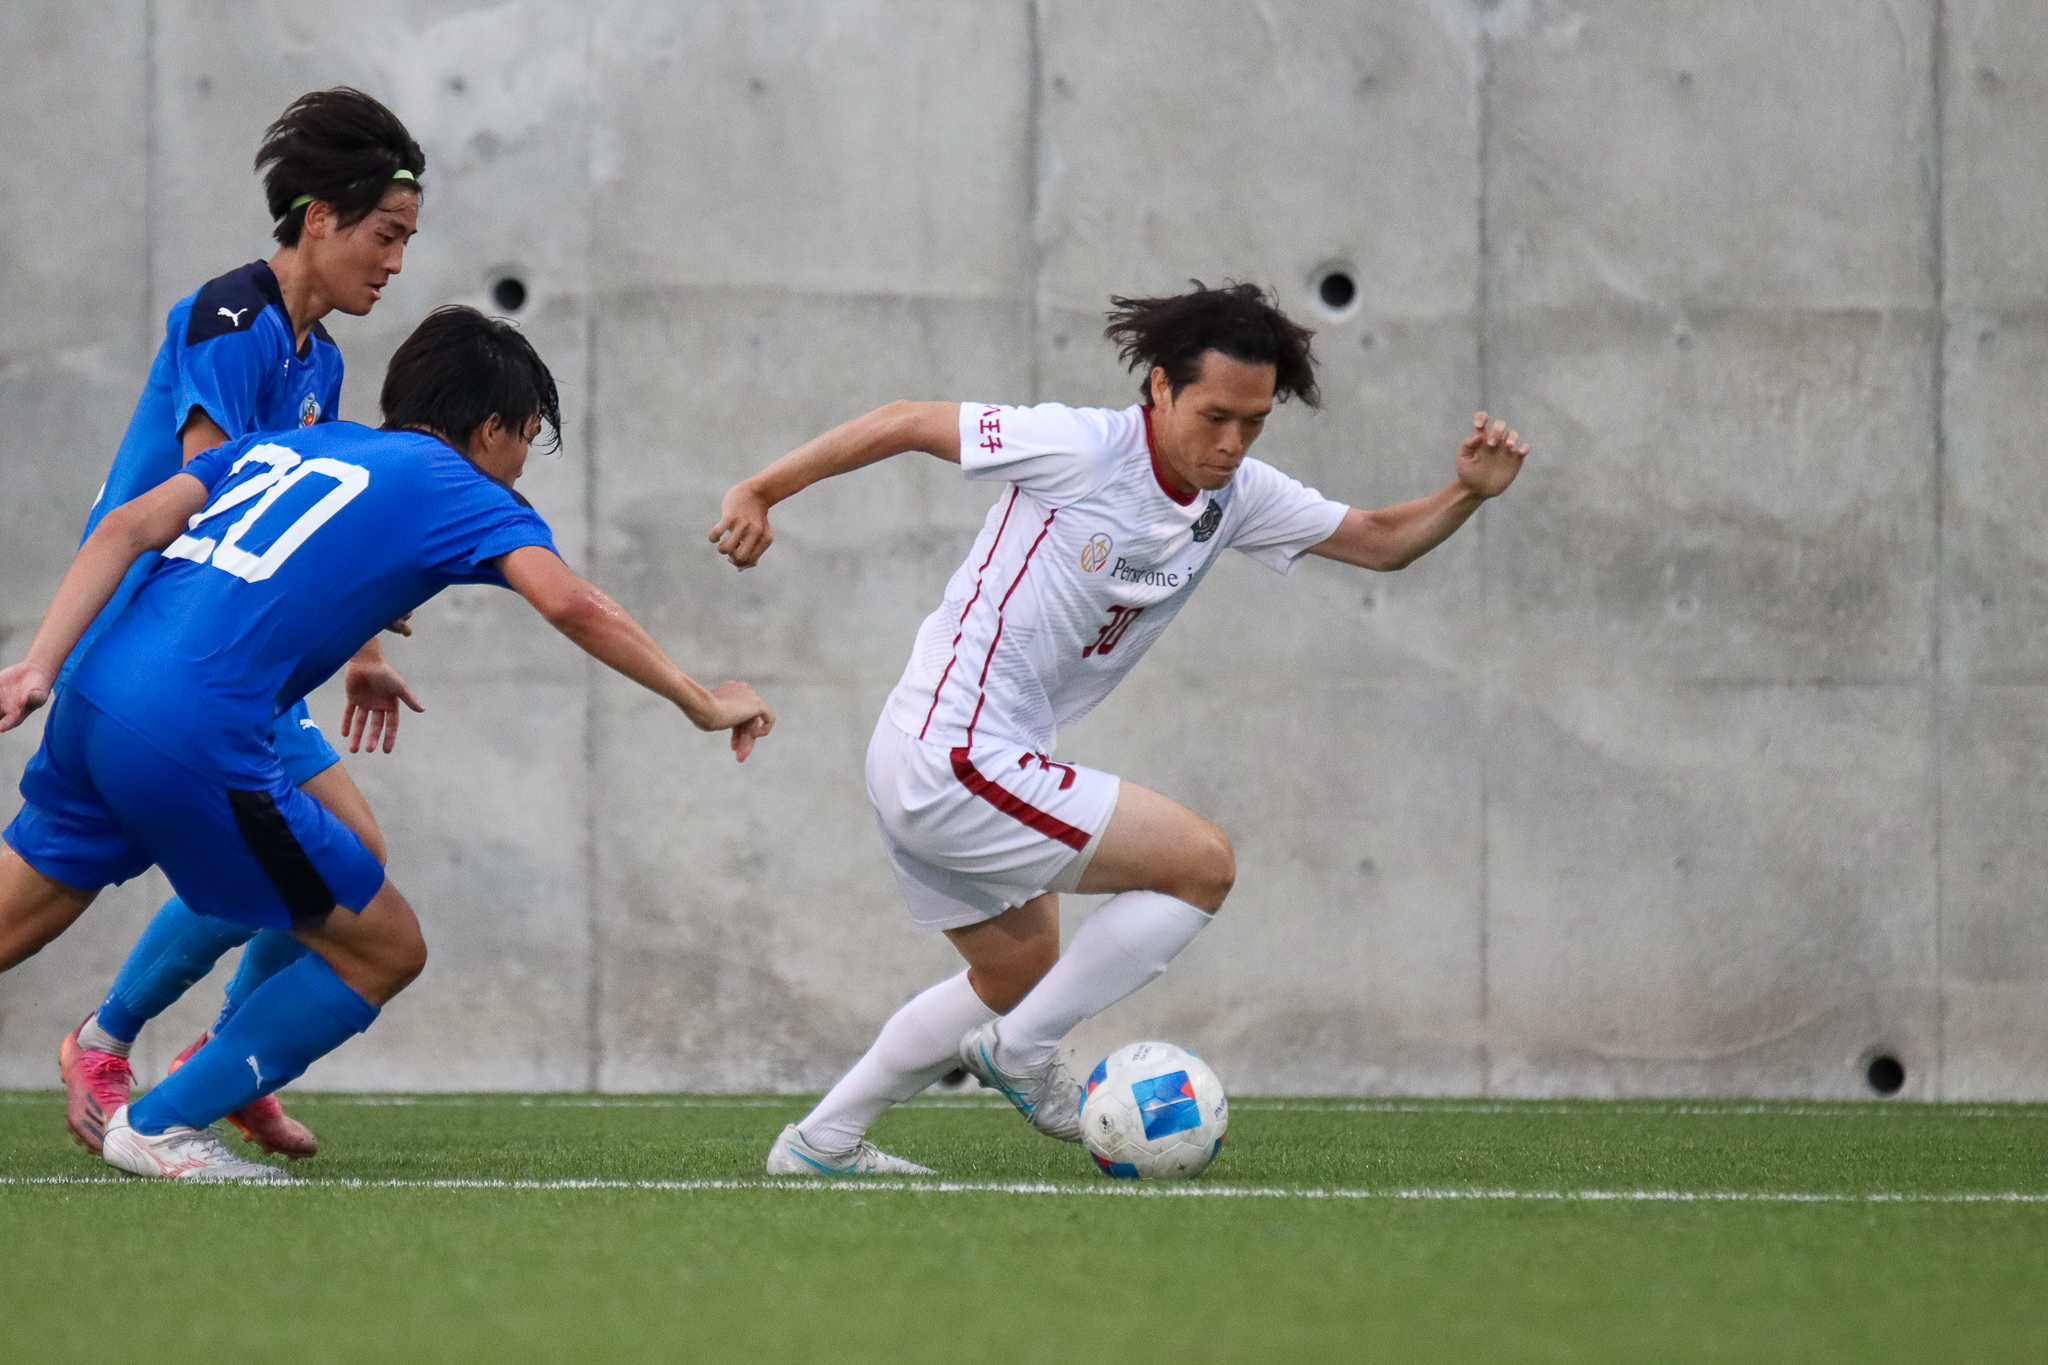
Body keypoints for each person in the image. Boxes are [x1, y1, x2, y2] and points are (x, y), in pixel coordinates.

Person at [709, 282, 1530, 1174]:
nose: (1233, 442)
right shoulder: (1081, 447)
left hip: (950, 754)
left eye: (1254, 423)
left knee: (1016, 975)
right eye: (1215, 416)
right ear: (1162, 388)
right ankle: (1022, 1052)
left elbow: (1377, 539)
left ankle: (822, 1142)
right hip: (955, 754)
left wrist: (1467, 492)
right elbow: (906, 420)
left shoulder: (1237, 495)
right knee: (1201, 865)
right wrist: (760, 490)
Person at [0, 306, 775, 1181]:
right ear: (490, 430)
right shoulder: (461, 486)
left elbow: (125, 529)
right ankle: (162, 1122)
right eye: (526, 440)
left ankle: (175, 1057)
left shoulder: (289, 444)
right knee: (387, 945)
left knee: (24, 909)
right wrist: (701, 700)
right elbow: (568, 601)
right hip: (196, 729)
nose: (522, 465)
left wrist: (38, 666)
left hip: (93, 693)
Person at [54, 88, 428, 1162]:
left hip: (230, 649)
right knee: (306, 866)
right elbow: (212, 495)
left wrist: (360, 651)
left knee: (346, 855)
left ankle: (218, 1058)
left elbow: (309, 520)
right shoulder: (230, 318)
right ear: (320, 218)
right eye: (385, 234)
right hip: (164, 638)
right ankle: (109, 1040)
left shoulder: (322, 361)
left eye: (406, 240)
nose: (396, 262)